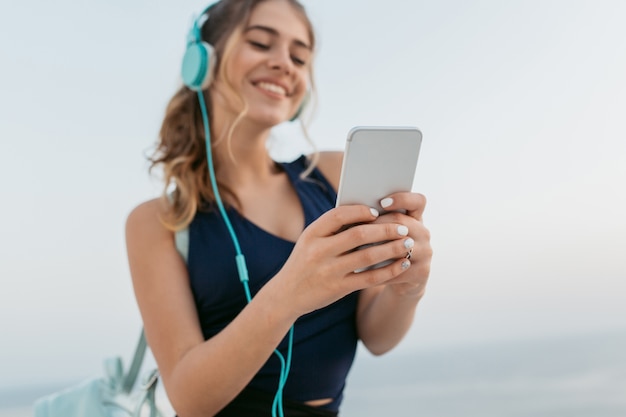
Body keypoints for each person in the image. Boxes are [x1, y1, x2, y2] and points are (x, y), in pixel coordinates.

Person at [125, 0, 433, 416]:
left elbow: (376, 337)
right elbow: (188, 398)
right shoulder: (156, 222)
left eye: (299, 56)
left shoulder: (331, 176)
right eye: (260, 43)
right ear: (202, 61)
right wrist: (292, 292)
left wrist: (407, 288)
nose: (284, 64)